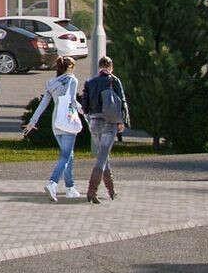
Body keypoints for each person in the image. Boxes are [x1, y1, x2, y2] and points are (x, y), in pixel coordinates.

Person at [25, 56, 85, 201]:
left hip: (56, 122)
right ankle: (53, 183)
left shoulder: (51, 83)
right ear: (69, 67)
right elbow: (72, 100)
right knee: (65, 156)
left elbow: (43, 104)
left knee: (68, 155)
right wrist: (84, 111)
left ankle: (70, 188)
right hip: (68, 121)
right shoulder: (72, 80)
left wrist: (32, 122)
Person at [81, 56, 132, 204]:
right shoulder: (114, 80)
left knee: (104, 156)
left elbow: (85, 107)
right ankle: (92, 191)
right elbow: (122, 101)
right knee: (102, 157)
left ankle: (111, 190)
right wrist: (122, 121)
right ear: (111, 67)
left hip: (94, 123)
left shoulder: (90, 82)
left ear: (99, 67)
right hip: (109, 123)